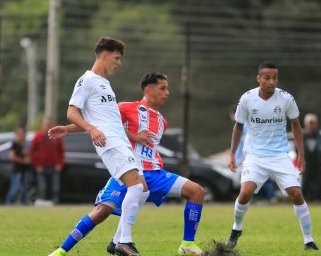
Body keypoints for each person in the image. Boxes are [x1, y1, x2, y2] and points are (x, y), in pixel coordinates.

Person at [48, 73, 205, 256]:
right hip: (129, 171)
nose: (167, 93)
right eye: (163, 88)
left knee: (196, 191)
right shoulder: (126, 107)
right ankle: (61, 251)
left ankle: (187, 243)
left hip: (155, 173)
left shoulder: (162, 120)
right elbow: (100, 123)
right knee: (101, 212)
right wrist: (67, 129)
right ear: (148, 89)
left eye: (167, 88)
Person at [48, 37, 148, 256]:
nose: (119, 63)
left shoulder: (106, 84)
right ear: (104, 55)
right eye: (117, 57)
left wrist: (69, 129)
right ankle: (123, 241)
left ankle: (118, 241)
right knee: (136, 187)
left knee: (143, 190)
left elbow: (100, 120)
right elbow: (72, 111)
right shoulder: (88, 80)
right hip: (109, 142)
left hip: (120, 141)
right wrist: (91, 130)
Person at [226, 61, 319, 251]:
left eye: (275, 78)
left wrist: (301, 154)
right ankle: (236, 229)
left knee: (296, 194)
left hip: (279, 156)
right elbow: (238, 127)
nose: (271, 82)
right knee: (245, 192)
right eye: (267, 77)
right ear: (258, 78)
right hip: (254, 155)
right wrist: (232, 154)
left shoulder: (286, 99)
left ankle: (309, 241)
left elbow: (296, 125)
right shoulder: (247, 99)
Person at [29, 117, 65, 204]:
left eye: (49, 125)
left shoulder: (56, 136)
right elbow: (32, 152)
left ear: (52, 126)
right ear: (43, 125)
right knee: (42, 187)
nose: (47, 126)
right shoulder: (38, 136)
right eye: (46, 124)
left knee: (55, 187)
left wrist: (60, 164)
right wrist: (37, 165)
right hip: (41, 167)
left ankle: (55, 203)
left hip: (54, 166)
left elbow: (62, 151)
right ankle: (42, 204)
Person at [301, 113, 321, 201]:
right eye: (309, 124)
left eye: (313, 124)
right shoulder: (302, 137)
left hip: (317, 165)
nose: (311, 126)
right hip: (306, 166)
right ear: (306, 124)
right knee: (305, 185)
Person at [5, 126, 31, 205]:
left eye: (23, 134)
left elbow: (28, 157)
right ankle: (9, 204)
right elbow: (12, 157)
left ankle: (22, 204)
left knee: (24, 189)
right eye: (20, 134)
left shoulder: (25, 145)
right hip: (17, 170)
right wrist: (23, 161)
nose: (22, 135)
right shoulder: (14, 145)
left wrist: (27, 156)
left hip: (25, 170)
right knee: (14, 189)